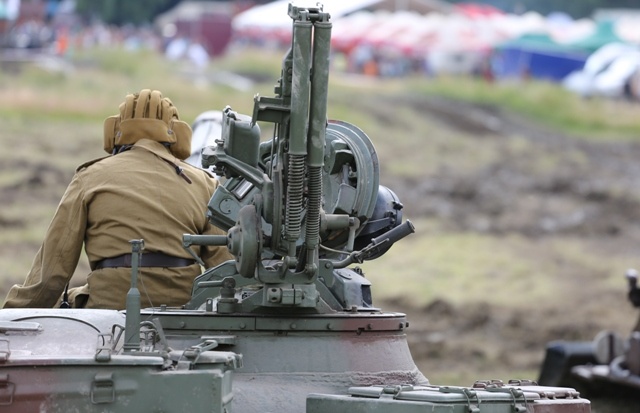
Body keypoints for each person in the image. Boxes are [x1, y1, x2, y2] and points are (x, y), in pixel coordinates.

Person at [2, 89, 232, 310]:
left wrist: (11, 315)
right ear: (177, 133)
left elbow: (52, 273)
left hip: (108, 304)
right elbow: (225, 269)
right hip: (182, 307)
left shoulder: (89, 177)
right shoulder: (204, 183)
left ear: (115, 130)